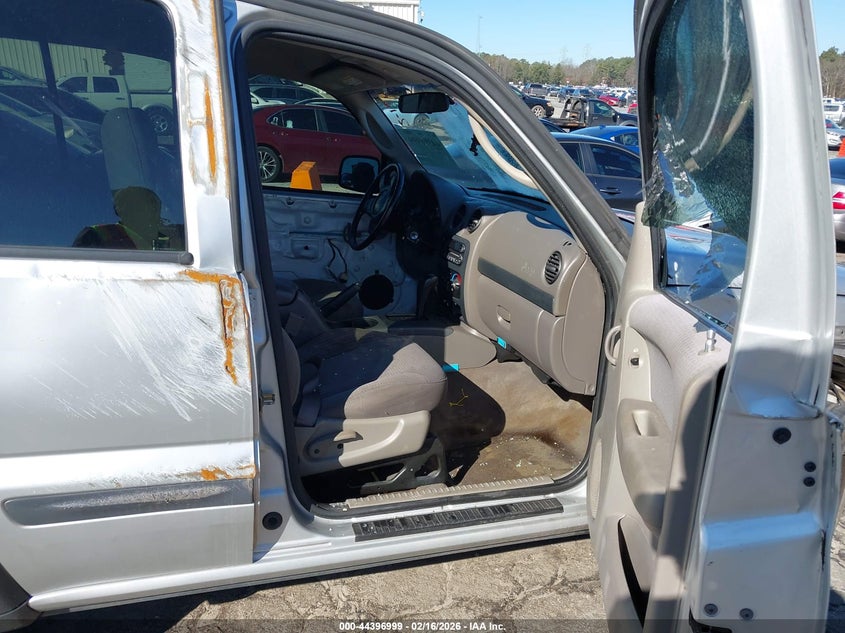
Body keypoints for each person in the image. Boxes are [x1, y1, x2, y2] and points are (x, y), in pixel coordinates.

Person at [73, 186, 183, 249]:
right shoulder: (95, 235)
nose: (152, 211)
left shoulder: (173, 235)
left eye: (155, 206)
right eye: (138, 205)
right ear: (119, 210)